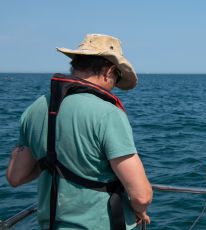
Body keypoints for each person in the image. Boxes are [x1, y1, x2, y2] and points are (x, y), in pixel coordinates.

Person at [7, 34, 153, 230]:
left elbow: (15, 177)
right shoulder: (108, 114)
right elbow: (142, 196)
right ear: (109, 71)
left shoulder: (35, 109)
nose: (115, 86)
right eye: (117, 78)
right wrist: (140, 210)